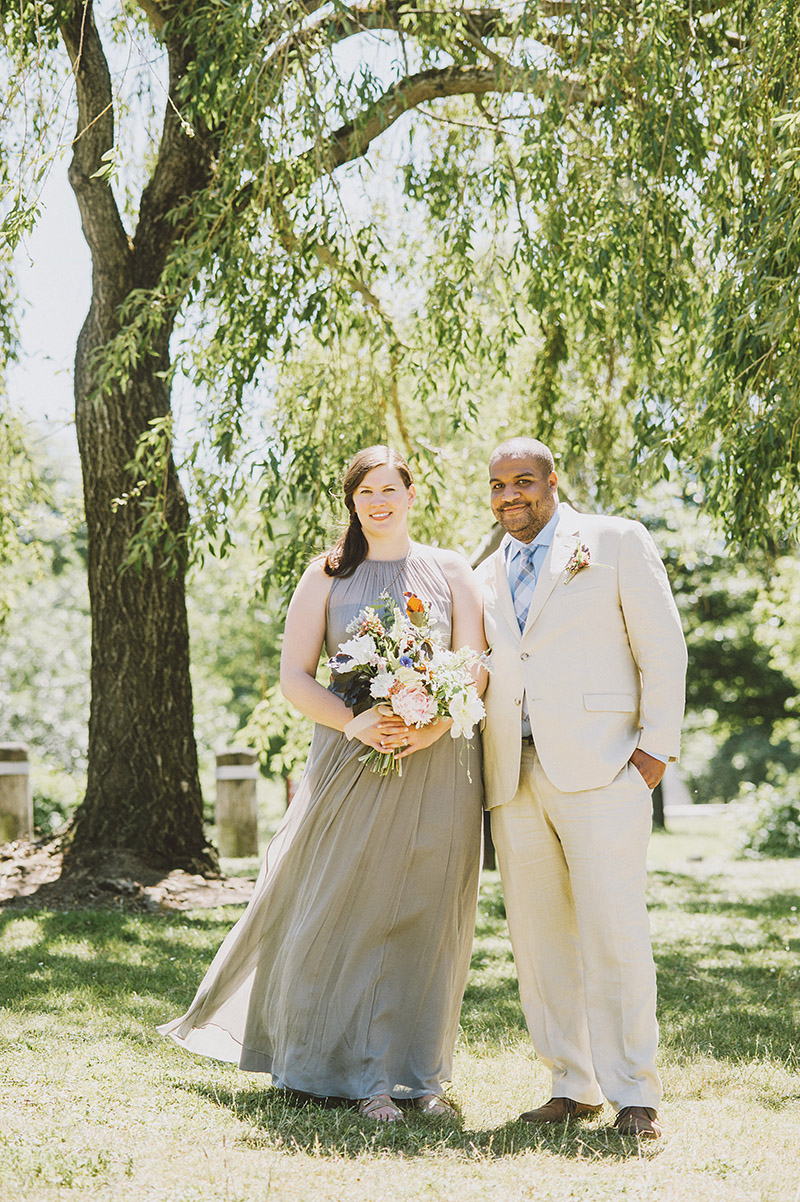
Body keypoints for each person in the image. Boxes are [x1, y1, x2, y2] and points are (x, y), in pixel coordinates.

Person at [159, 446, 485, 1123]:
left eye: (389, 487)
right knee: (351, 907)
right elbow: (295, 678)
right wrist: (356, 722)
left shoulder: (454, 570)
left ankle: (422, 1077)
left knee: (429, 914)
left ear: (411, 494)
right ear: (353, 502)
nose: (378, 501)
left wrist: (430, 726)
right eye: (365, 491)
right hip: (352, 759)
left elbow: (474, 664)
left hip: (438, 764)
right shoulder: (328, 575)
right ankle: (358, 1076)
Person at [476, 437, 687, 1140]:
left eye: (524, 482)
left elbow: (663, 647)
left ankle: (636, 1094)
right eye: (500, 486)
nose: (512, 496)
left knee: (614, 933)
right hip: (514, 774)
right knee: (539, 941)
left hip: (604, 767)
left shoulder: (615, 540)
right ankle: (573, 1083)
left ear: (553, 480)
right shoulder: (485, 571)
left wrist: (654, 753)